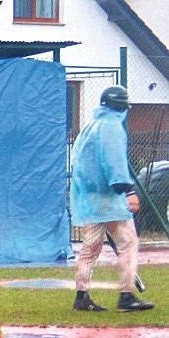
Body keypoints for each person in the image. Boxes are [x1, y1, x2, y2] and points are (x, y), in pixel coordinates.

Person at [70, 85, 154, 312]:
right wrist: (127, 190)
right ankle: (126, 296)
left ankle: (82, 297)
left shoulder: (91, 126)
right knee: (129, 243)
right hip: (108, 198)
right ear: (121, 106)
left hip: (87, 198)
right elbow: (114, 162)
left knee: (90, 249)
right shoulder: (112, 127)